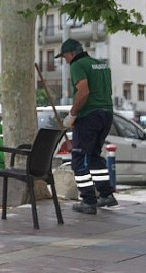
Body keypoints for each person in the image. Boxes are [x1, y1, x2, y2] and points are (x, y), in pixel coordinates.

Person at [55, 38, 117, 214]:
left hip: (89, 115)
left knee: (78, 160)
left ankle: (88, 201)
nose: (65, 61)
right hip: (107, 114)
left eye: (65, 57)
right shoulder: (101, 65)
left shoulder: (78, 65)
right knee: (95, 156)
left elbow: (84, 92)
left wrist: (72, 114)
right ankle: (106, 194)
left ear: (71, 53)